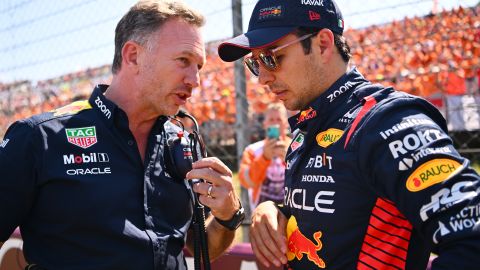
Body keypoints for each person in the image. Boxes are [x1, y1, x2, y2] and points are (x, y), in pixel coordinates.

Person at [218, 0, 480, 269]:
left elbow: (472, 240)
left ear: (322, 44)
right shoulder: (305, 129)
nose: (262, 77)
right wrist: (273, 210)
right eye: (255, 63)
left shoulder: (387, 120)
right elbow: (337, 220)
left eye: (271, 58)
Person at [0, 1, 245, 269]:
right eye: (183, 61)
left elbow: (201, 248)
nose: (195, 80)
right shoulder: (39, 138)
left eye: (198, 66)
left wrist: (227, 217)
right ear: (133, 56)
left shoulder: (183, 143)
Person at [239, 103, 290, 211]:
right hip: (262, 214)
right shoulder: (252, 150)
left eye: (279, 120)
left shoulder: (295, 147)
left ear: (286, 124)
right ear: (265, 124)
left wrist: (289, 159)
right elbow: (246, 182)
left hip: (293, 214)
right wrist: (264, 158)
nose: (275, 124)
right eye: (271, 120)